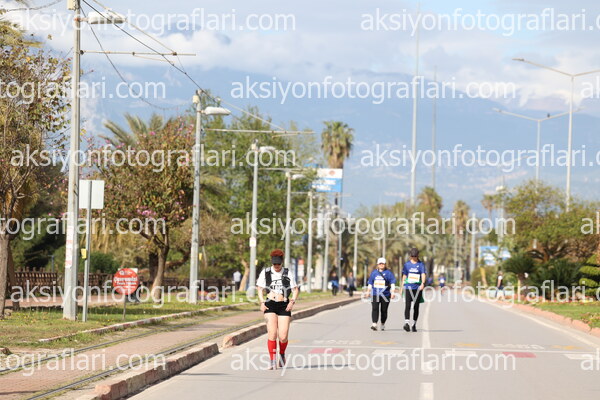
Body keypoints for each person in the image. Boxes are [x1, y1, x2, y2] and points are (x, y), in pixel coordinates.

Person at [257, 249, 300, 370]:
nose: (276, 266)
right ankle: (272, 360)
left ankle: (282, 354)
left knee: (283, 336)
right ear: (272, 262)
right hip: (270, 304)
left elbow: (295, 289)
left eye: (278, 264)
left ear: (282, 262)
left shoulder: (287, 272)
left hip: (284, 305)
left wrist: (292, 302)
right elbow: (259, 288)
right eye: (274, 263)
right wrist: (262, 302)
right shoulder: (266, 272)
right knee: (272, 333)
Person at [400, 248, 426, 332]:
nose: (414, 258)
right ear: (410, 256)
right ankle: (406, 323)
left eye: (415, 256)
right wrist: (401, 287)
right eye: (412, 256)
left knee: (416, 306)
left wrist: (423, 283)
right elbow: (404, 276)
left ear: (417, 256)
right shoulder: (407, 265)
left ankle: (414, 324)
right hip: (408, 287)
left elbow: (423, 274)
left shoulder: (421, 264)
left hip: (417, 288)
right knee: (407, 305)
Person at [367, 257, 396, 331]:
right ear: (377, 264)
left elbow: (392, 283)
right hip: (375, 294)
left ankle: (383, 323)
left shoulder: (388, 273)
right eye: (380, 263)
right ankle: (374, 324)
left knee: (384, 310)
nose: (381, 265)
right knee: (375, 308)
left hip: (385, 295)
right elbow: (370, 283)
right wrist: (368, 291)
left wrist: (393, 292)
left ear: (385, 264)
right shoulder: (374, 273)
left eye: (383, 263)